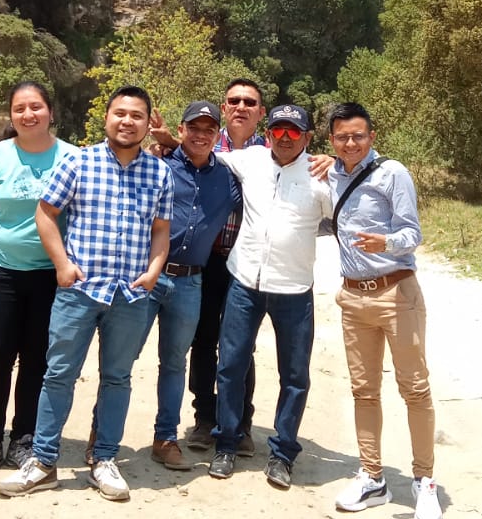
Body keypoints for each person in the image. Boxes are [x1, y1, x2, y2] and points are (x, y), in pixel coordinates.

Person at [0, 86, 173, 503]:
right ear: (106, 117)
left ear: (148, 124)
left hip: (130, 295)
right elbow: (46, 213)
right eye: (120, 113)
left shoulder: (159, 172)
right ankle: (43, 462)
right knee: (58, 374)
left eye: (137, 115)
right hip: (79, 291)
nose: (127, 121)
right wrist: (62, 265)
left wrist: (153, 271)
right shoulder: (79, 161)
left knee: (117, 378)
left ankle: (105, 459)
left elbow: (161, 229)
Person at [323, 103, 442, 519]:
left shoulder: (393, 173)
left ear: (372, 137)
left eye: (358, 136)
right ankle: (373, 477)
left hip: (396, 293)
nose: (350, 143)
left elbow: (413, 233)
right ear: (332, 140)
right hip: (354, 298)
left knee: (415, 389)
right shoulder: (331, 174)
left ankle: (424, 481)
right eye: (342, 137)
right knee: (364, 391)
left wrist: (386, 242)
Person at [209, 103, 333, 490]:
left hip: (293, 289)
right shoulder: (251, 160)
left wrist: (339, 162)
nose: (285, 137)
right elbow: (203, 151)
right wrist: (165, 139)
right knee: (230, 366)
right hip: (245, 281)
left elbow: (349, 204)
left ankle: (282, 454)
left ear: (307, 137)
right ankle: (226, 444)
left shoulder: (321, 176)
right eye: (278, 129)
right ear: (268, 133)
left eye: (294, 131)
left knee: (294, 376)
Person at [0, 81, 75, 480]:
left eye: (36, 107)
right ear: (11, 114)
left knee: (36, 360)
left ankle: (24, 439)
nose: (28, 114)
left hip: (50, 276)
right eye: (20, 108)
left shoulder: (71, 157)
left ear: (50, 112)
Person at [152, 77, 266, 453]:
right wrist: (168, 144)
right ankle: (204, 418)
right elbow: (187, 154)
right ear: (224, 107)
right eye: (234, 100)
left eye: (250, 101)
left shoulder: (273, 152)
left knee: (240, 344)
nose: (241, 107)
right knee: (202, 340)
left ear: (261, 112)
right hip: (206, 261)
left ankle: (240, 423)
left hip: (246, 262)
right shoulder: (204, 143)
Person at [134, 100, 241, 470]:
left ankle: (165, 439)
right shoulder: (156, 165)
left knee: (174, 363)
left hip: (191, 282)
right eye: (193, 127)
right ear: (181, 130)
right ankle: (102, 436)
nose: (200, 135)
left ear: (217, 135)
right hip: (146, 276)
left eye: (209, 130)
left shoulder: (228, 179)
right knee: (122, 359)